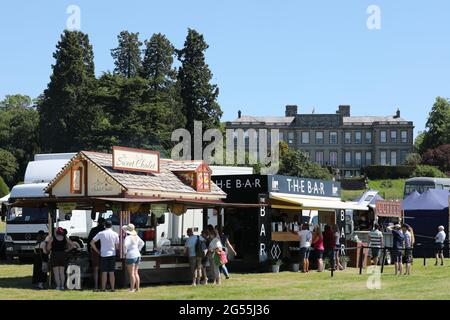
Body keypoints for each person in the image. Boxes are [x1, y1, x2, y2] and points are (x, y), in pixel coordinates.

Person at [90, 220, 119, 292]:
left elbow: (92, 242)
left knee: (104, 272)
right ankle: (112, 288)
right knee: (112, 272)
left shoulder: (101, 233)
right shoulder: (115, 234)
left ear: (104, 225)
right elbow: (117, 246)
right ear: (111, 225)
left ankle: (103, 288)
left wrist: (97, 251)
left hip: (103, 254)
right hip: (112, 254)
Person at [122, 223, 144, 292]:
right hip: (137, 255)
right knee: (136, 273)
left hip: (130, 255)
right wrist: (139, 249)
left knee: (131, 273)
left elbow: (125, 246)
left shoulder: (128, 237)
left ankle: (131, 289)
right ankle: (137, 289)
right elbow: (142, 243)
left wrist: (125, 253)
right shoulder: (136, 236)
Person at [87, 217, 105, 291]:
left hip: (95, 251)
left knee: (96, 269)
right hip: (104, 251)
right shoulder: (105, 230)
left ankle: (96, 285)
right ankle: (102, 285)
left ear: (98, 222)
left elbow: (89, 241)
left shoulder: (93, 230)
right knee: (103, 269)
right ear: (103, 223)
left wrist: (89, 250)